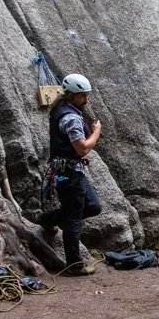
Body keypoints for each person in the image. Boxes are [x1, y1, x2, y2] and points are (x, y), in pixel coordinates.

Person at [41, 72, 103, 275]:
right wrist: (96, 132)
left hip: (67, 170)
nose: (86, 99)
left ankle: (49, 218)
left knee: (93, 206)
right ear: (72, 95)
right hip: (69, 172)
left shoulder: (60, 108)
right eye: (83, 95)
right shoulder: (70, 118)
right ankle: (74, 265)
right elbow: (82, 148)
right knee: (74, 218)